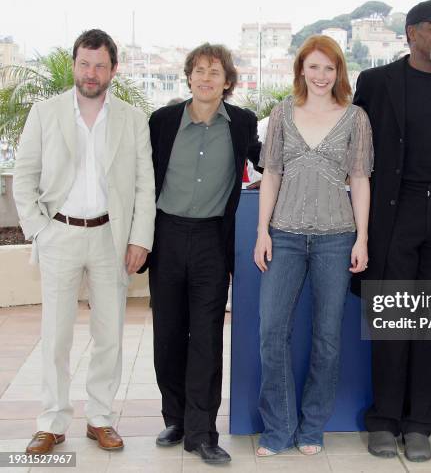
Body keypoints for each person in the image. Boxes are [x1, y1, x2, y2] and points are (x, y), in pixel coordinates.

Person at [13, 29, 156, 454]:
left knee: (109, 334)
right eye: (84, 63)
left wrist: (139, 239)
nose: (90, 73)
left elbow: (144, 186)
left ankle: (100, 419)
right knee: (55, 335)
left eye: (99, 65)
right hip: (59, 234)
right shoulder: (46, 112)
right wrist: (40, 230)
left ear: (113, 69)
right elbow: (23, 178)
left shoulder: (132, 119)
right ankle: (52, 422)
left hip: (111, 238)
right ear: (75, 65)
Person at [351, 0, 431, 461]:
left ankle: (420, 424)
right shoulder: (377, 81)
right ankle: (383, 421)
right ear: (410, 34)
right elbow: (353, 140)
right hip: (394, 214)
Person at [254, 34, 373, 456]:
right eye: (314, 66)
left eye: (330, 67)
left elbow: (360, 180)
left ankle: (311, 428)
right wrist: (262, 232)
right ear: (301, 69)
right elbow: (270, 174)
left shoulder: (355, 117)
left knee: (326, 337)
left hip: (336, 240)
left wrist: (361, 237)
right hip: (283, 236)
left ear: (339, 72)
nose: (321, 75)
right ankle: (278, 428)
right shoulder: (282, 113)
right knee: (272, 333)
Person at [144, 43, 261, 464]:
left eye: (215, 72)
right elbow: (142, 180)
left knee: (207, 339)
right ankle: (174, 416)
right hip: (167, 236)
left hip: (214, 239)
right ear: (188, 77)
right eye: (199, 70)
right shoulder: (162, 121)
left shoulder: (243, 123)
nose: (206, 78)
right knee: (169, 333)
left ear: (227, 82)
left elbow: (269, 162)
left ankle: (202, 431)